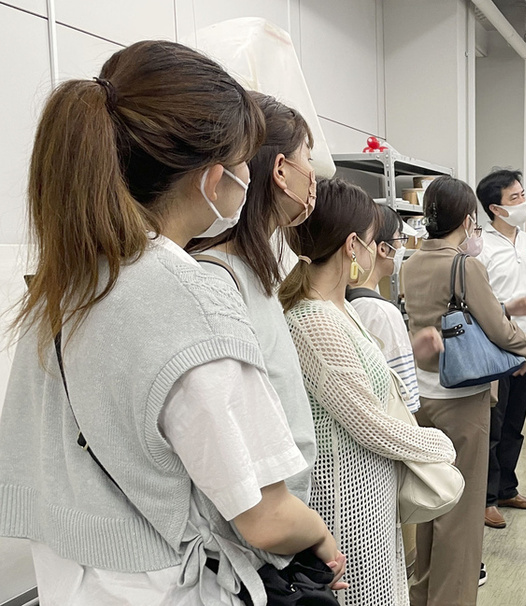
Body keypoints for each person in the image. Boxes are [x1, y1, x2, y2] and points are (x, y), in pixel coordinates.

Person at [0, 41, 345, 605]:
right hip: (164, 584)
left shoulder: (67, 279)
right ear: (215, 182)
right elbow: (263, 515)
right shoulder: (189, 297)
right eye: (243, 165)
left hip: (68, 578)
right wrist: (322, 537)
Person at [280, 178, 457, 606]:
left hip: (371, 494)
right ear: (352, 244)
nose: (380, 251)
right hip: (345, 501)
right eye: (376, 240)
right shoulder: (314, 319)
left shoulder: (342, 309)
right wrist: (438, 444)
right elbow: (369, 423)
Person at [403, 175, 526, 606]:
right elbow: (496, 329)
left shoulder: (410, 262)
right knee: (460, 515)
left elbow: (453, 316)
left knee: (429, 503)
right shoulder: (465, 264)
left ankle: (422, 594)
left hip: (422, 396)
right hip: (462, 399)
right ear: (467, 220)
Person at [186, 92, 318, 503]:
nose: (314, 175)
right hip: (263, 521)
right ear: (281, 169)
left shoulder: (255, 269)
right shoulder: (216, 278)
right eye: (308, 159)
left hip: (285, 512)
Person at [475, 169, 526, 530]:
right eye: (514, 198)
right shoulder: (480, 247)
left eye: (522, 193)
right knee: (494, 425)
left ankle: (506, 488)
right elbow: (481, 303)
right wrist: (509, 346)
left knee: (516, 423)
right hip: (497, 348)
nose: (523, 202)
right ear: (495, 209)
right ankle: (486, 498)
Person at [347, 205, 443, 414]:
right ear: (383, 249)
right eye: (400, 239)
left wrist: (409, 350)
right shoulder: (382, 312)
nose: (401, 247)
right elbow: (404, 400)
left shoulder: (347, 302)